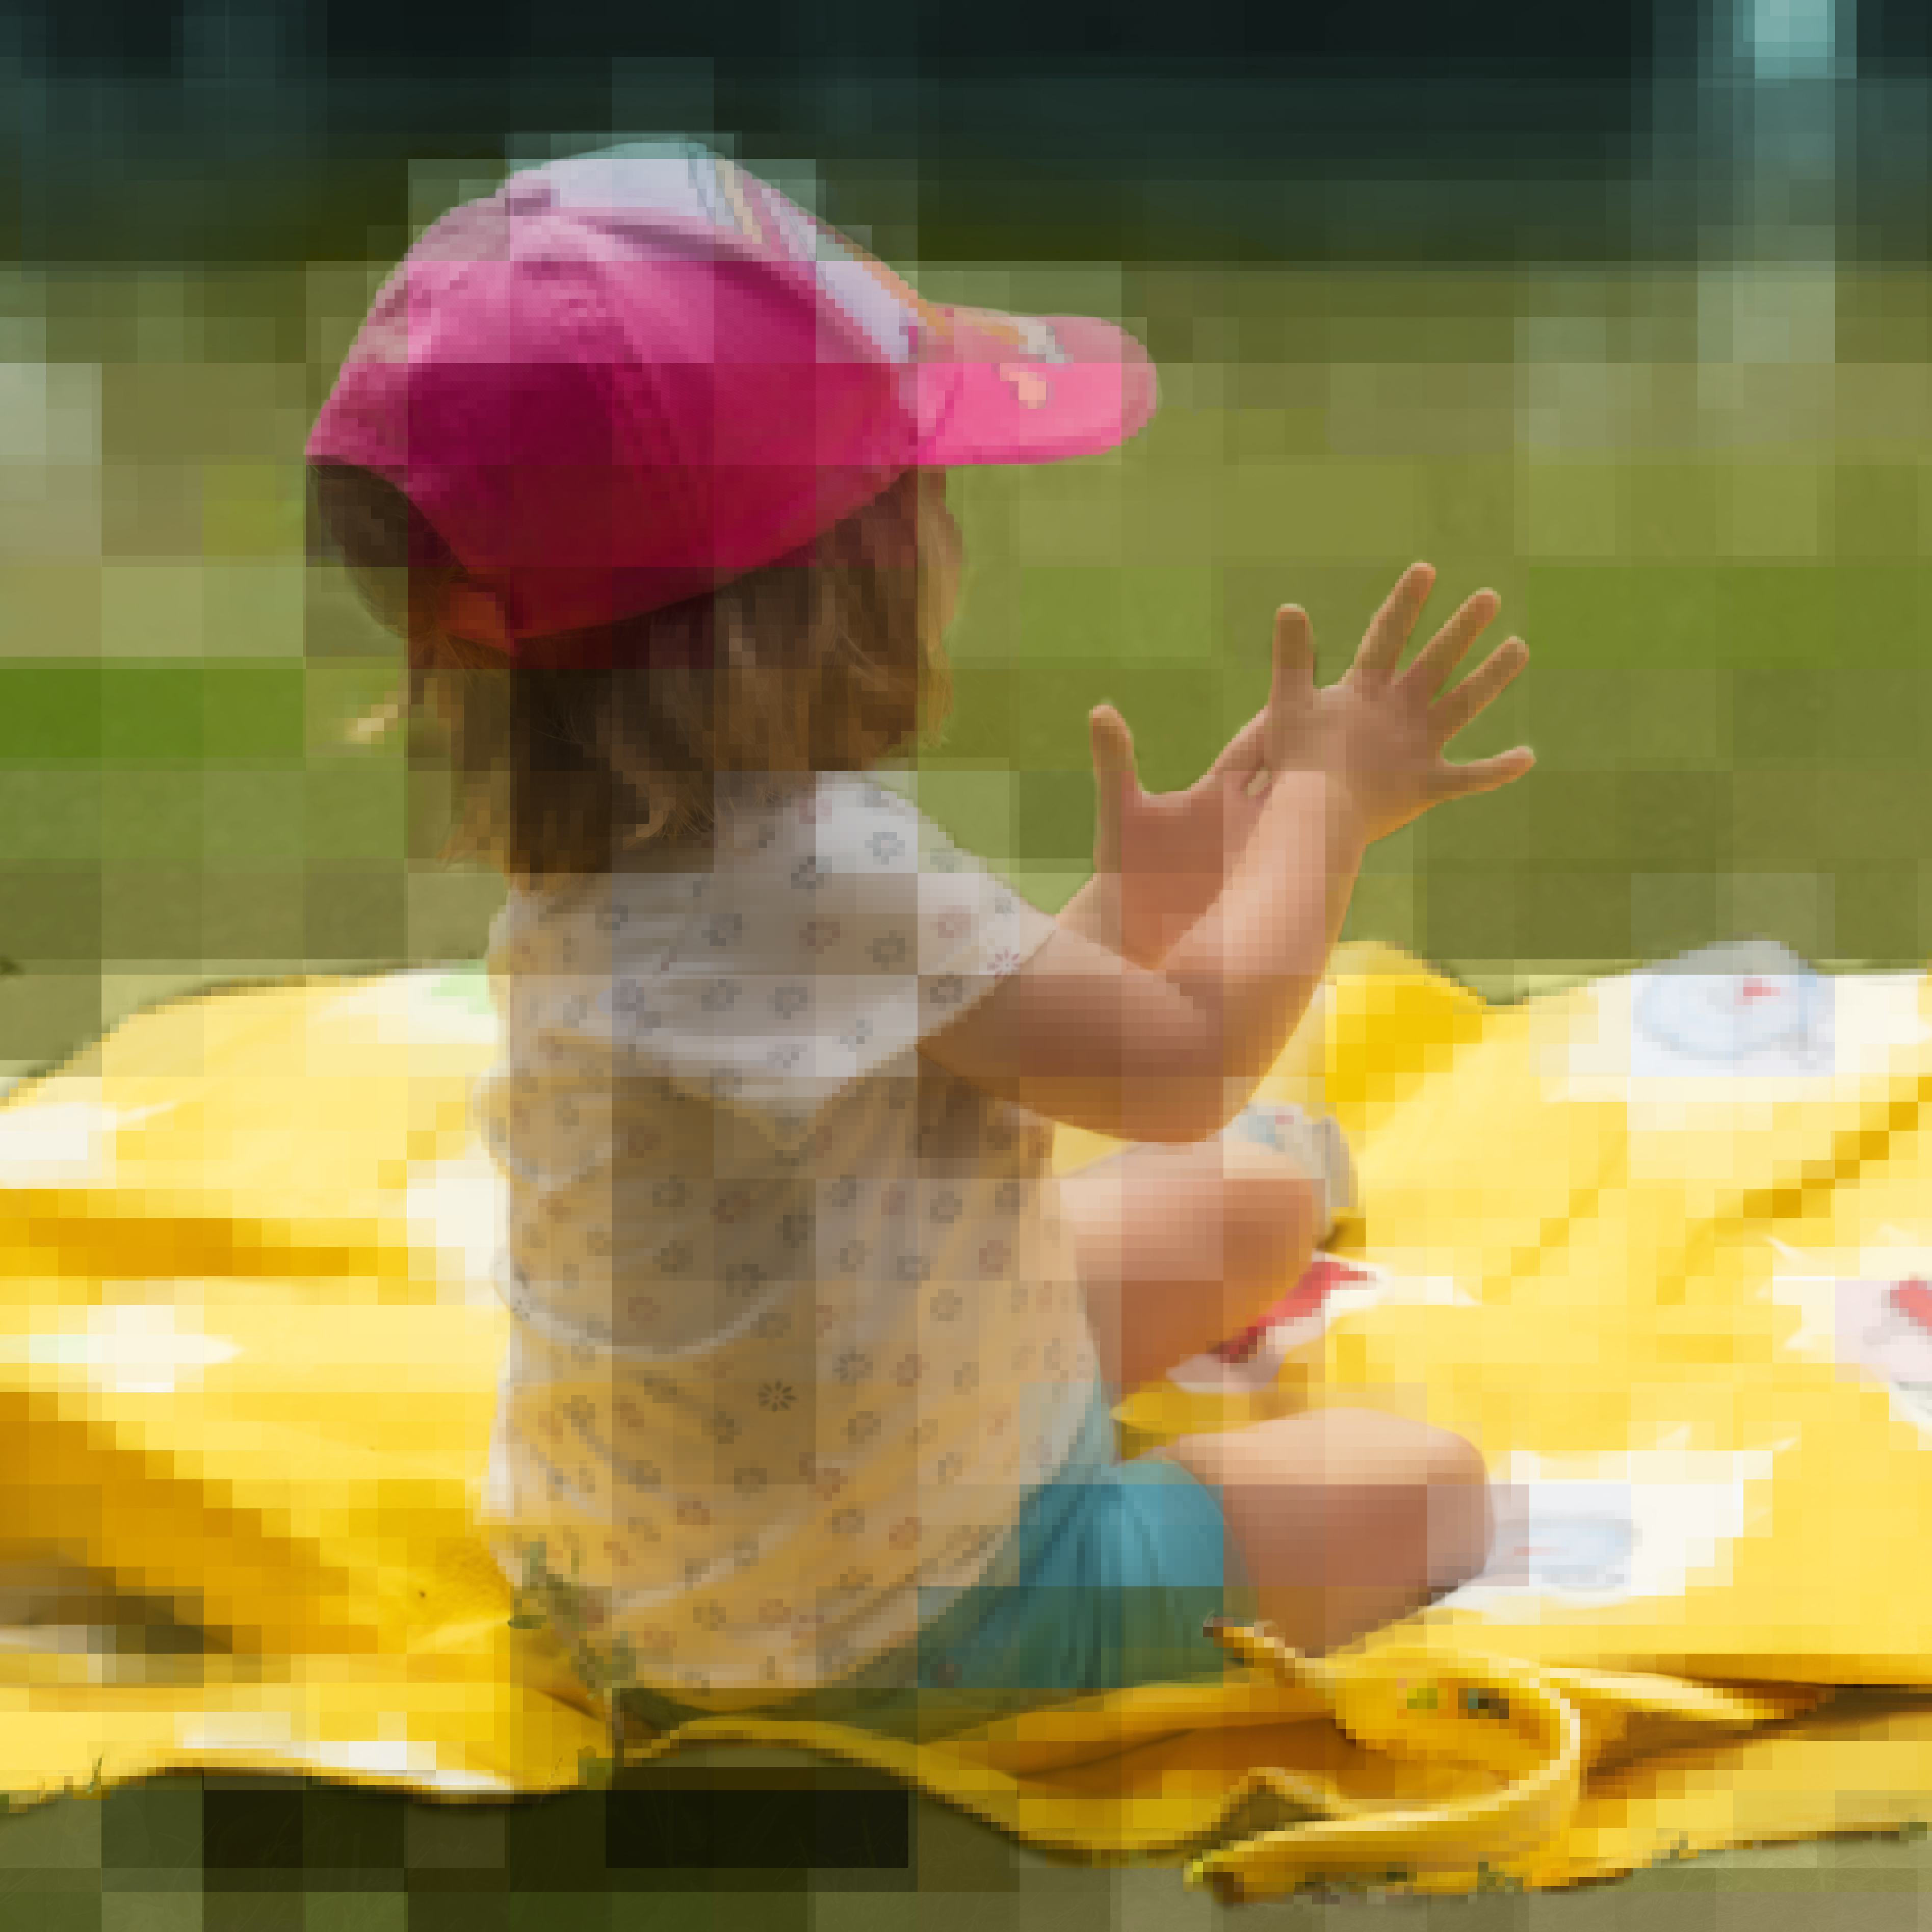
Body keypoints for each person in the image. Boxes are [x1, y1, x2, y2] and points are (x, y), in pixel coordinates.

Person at [304, 140, 1531, 1745]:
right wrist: (1329, 805)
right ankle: (1075, 1548)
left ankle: (1282, 1198)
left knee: (1246, 1203)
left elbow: (934, 1050)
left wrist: (1137, 913)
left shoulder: (597, 867)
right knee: (1426, 1487)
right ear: (828, 586)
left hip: (628, 1566)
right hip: (901, 1617)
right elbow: (1179, 1069)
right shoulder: (832, 866)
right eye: (914, 491)